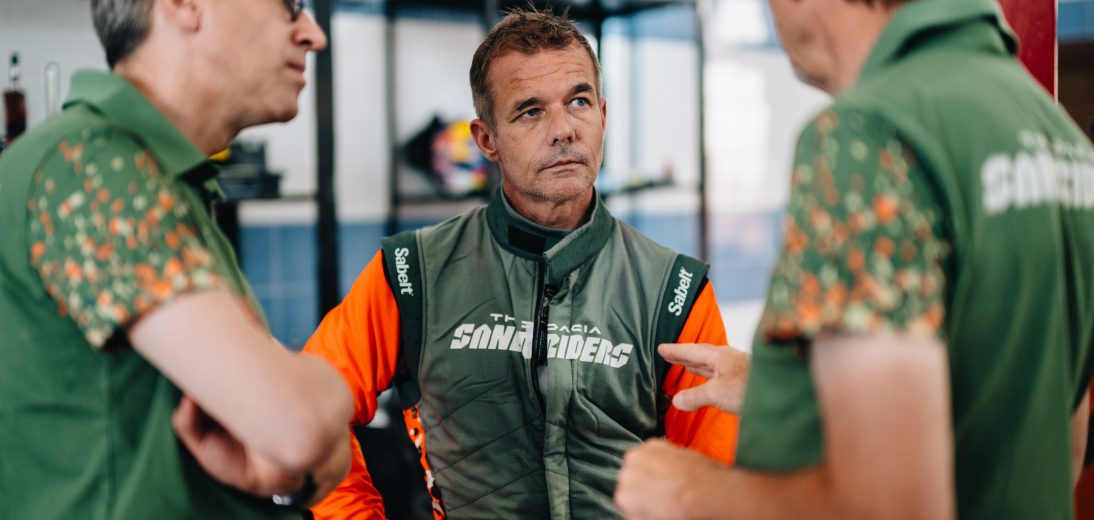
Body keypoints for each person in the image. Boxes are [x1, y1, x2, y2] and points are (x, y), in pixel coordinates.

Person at [614, 0, 1094, 518]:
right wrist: (788, 395)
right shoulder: (1056, 135)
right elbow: (1051, 444)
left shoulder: (870, 134)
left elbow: (893, 509)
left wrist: (688, 491)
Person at [303, 8, 740, 519]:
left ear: (603, 115)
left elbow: (713, 483)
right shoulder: (411, 273)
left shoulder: (674, 291)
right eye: (530, 111)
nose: (564, 130)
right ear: (486, 139)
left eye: (579, 102)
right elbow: (311, 412)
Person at [0, 0, 354, 517]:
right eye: (290, 5)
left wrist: (294, 470)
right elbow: (299, 425)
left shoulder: (162, 179)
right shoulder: (89, 166)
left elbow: (300, 449)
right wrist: (330, 388)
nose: (313, 35)